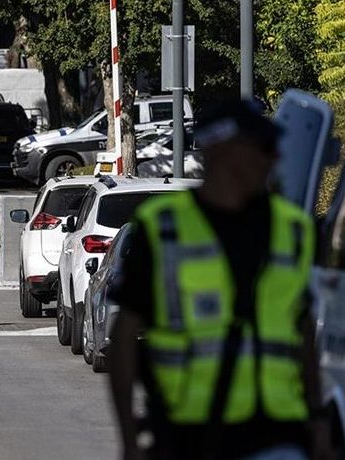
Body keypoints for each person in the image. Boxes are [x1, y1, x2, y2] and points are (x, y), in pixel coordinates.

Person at [108, 101, 332, 460]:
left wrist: (318, 419)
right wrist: (129, 439)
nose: (273, 160)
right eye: (264, 149)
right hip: (189, 433)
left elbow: (302, 328)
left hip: (279, 431)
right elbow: (124, 337)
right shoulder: (164, 227)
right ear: (228, 152)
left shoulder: (294, 227)